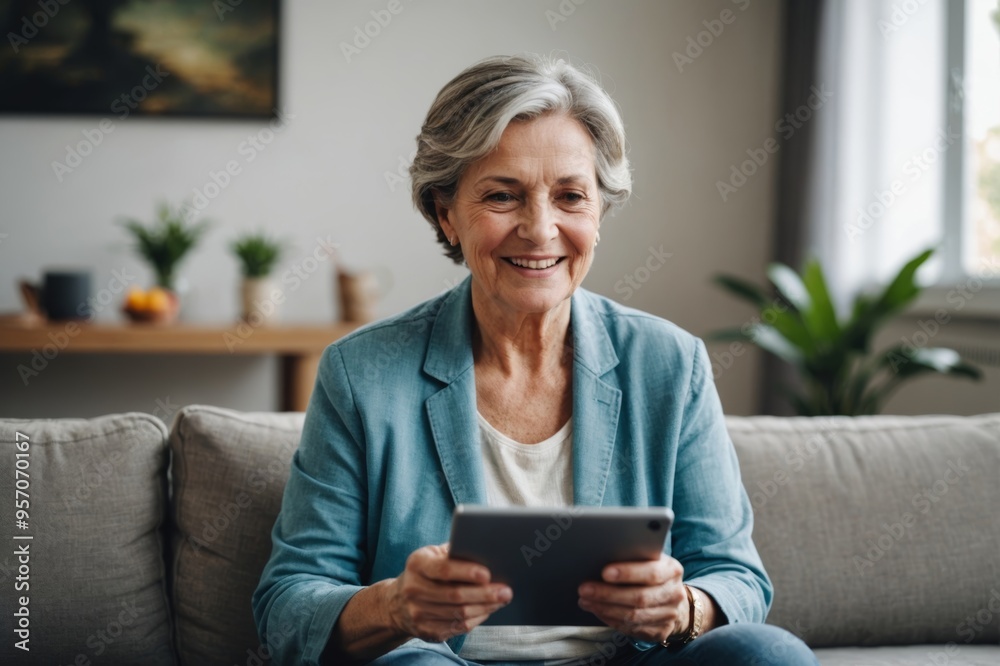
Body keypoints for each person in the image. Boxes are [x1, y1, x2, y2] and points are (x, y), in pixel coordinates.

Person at [253, 54, 819, 666]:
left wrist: (681, 608)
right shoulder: (361, 373)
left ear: (599, 213)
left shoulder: (670, 364)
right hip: (441, 662)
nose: (540, 228)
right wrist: (395, 607)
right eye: (503, 196)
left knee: (769, 655)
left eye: (570, 196)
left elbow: (737, 577)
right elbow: (287, 604)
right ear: (445, 213)